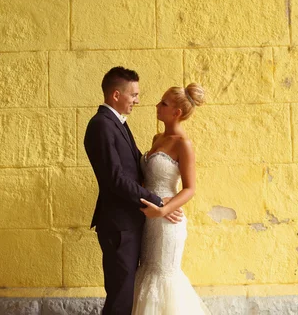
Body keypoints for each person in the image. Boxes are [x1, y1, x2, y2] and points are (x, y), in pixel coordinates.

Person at [84, 67, 182, 315]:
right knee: (121, 296)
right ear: (116, 95)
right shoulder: (101, 125)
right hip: (118, 225)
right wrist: (159, 201)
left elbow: (135, 166)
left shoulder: (117, 123)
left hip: (131, 221)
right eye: (134, 95)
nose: (138, 101)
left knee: (128, 293)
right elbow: (115, 179)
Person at [132, 83, 211, 315]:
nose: (157, 106)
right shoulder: (158, 137)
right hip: (149, 221)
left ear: (176, 113)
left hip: (167, 222)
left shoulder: (182, 143)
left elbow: (189, 188)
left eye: (163, 103)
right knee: (147, 273)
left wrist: (165, 209)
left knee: (163, 277)